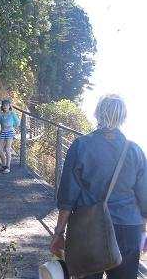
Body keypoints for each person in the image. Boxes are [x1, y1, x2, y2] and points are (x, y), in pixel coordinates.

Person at [50, 94, 147, 279]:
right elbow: (144, 199)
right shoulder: (135, 151)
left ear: (97, 114)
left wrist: (58, 233)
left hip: (89, 229)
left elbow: (68, 197)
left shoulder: (81, 146)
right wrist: (144, 232)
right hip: (128, 229)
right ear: (123, 118)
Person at [0, 99, 20, 174]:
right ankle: (3, 166)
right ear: (2, 106)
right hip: (3, 132)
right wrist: (1, 133)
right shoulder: (0, 114)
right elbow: (1, 123)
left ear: (9, 106)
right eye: (3, 105)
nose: (5, 106)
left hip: (10, 132)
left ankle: (8, 167)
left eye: (6, 105)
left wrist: (11, 125)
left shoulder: (12, 113)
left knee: (7, 149)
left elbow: (17, 123)